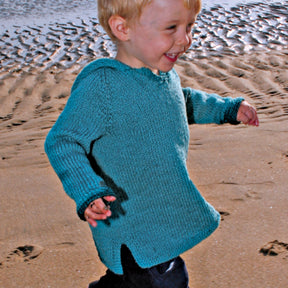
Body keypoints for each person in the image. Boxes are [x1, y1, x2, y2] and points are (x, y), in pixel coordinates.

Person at [44, 0, 259, 287]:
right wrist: (87, 189)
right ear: (122, 28)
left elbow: (181, 102)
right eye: (171, 28)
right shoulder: (103, 85)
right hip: (133, 222)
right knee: (166, 279)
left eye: (189, 26)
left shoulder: (161, 73)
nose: (185, 40)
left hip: (159, 212)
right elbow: (63, 140)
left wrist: (227, 109)